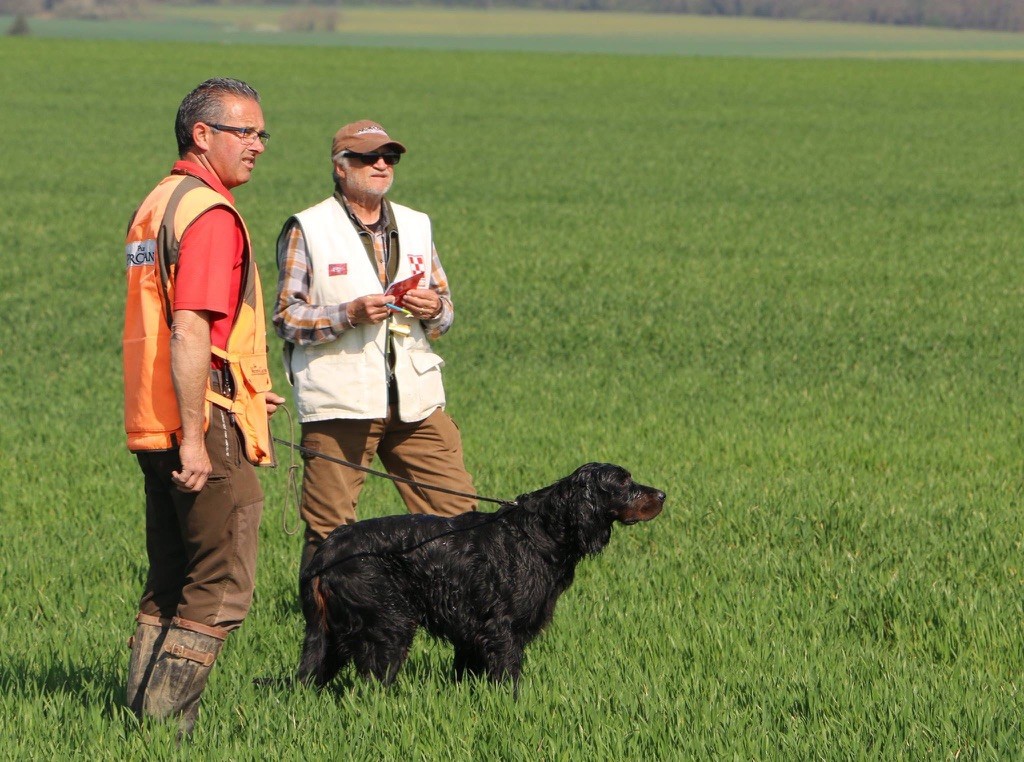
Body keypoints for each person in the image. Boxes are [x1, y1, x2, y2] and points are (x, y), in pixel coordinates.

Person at [122, 77, 285, 737]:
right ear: (203, 134)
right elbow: (190, 329)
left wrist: (247, 390)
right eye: (247, 133)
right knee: (220, 583)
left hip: (151, 417)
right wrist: (198, 436)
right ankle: (164, 730)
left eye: (261, 134)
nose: (259, 147)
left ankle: (133, 720)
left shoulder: (158, 202)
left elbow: (179, 332)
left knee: (170, 580)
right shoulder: (211, 214)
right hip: (197, 425)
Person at [274, 119, 477, 578]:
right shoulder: (308, 227)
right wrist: (350, 313)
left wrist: (432, 307)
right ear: (340, 167)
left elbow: (446, 314)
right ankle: (319, 628)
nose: (382, 165)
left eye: (390, 157)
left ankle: (459, 611)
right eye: (369, 157)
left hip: (416, 399)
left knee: (460, 519)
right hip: (340, 401)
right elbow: (286, 318)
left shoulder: (416, 224)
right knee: (329, 529)